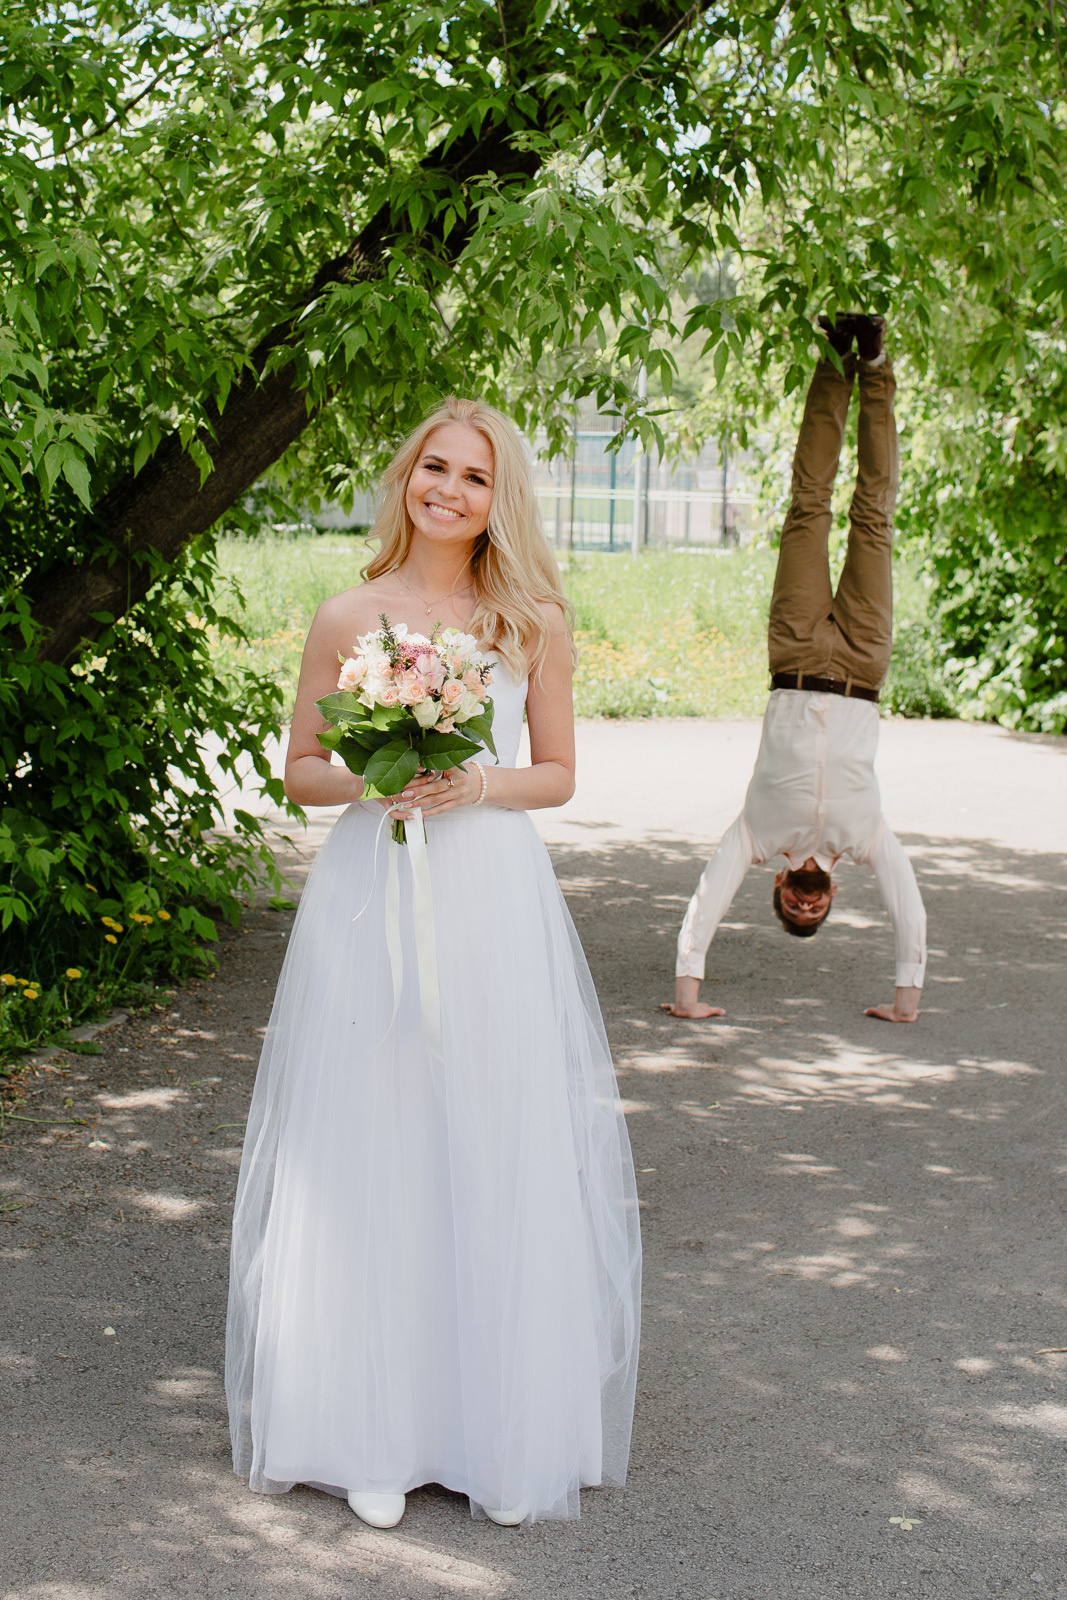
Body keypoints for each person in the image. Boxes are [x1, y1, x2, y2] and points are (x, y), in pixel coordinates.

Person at [226, 397, 641, 1531]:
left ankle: (488, 1428)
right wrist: (374, 774)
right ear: (406, 476)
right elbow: (300, 770)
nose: (446, 489)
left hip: (488, 897)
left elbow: (553, 772)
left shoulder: (529, 618)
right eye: (432, 467)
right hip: (373, 892)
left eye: (472, 476)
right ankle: (372, 1428)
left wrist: (474, 783)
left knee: (485, 1135)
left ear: (497, 498)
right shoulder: (346, 612)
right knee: (375, 1136)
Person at [665, 315, 927, 1024]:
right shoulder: (868, 838)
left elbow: (707, 896)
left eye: (794, 905)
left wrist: (687, 992)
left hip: (795, 655)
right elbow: (905, 900)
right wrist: (906, 999)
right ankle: (874, 366)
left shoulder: (751, 836)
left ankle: (834, 356)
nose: (806, 901)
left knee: (806, 510)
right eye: (814, 908)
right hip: (864, 663)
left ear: (778, 887)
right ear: (832, 896)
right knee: (873, 515)